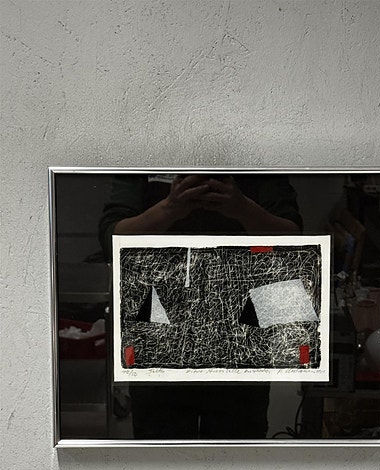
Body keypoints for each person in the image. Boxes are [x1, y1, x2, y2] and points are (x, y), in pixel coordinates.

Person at [99, 173, 303, 439]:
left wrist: (241, 207)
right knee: (161, 447)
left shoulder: (256, 162)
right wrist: (170, 208)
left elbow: (292, 240)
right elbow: (111, 240)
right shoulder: (146, 156)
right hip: (161, 334)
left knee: (236, 448)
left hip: (238, 336)